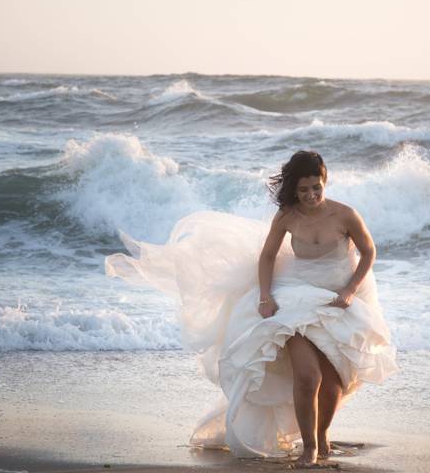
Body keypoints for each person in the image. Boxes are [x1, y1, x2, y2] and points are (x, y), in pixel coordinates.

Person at [105, 150, 397, 467]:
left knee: (334, 383)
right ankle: (309, 448)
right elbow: (268, 257)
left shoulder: (345, 215)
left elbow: (369, 253)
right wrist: (266, 297)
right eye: (303, 190)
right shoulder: (288, 216)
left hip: (336, 300)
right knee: (307, 377)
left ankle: (322, 436)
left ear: (324, 181)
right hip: (295, 297)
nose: (311, 196)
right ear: (293, 189)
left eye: (316, 187)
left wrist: (350, 290)